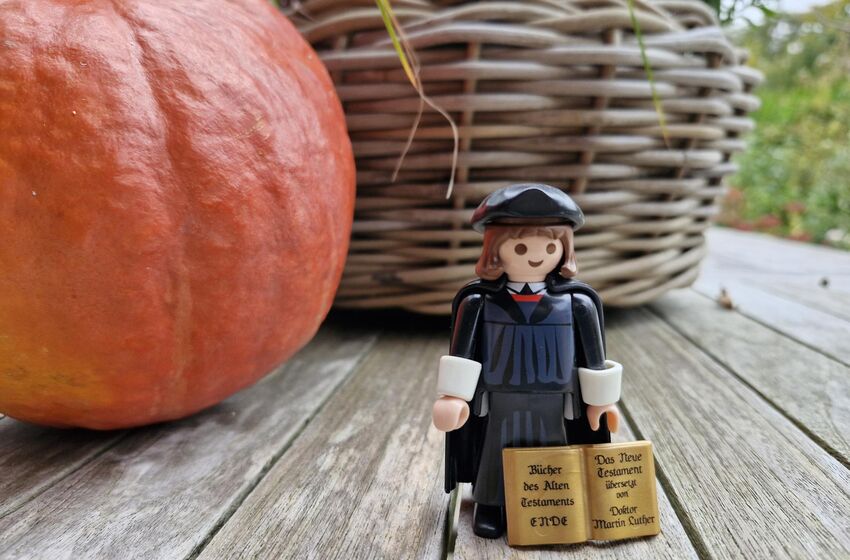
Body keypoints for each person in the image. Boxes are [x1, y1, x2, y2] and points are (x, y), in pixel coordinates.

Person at [432, 183, 623, 539]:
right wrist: (454, 397)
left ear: (564, 250)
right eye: (520, 247)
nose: (536, 257)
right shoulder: (479, 303)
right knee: (496, 448)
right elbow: (463, 353)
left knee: (552, 449)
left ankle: (550, 506)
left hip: (555, 398)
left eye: (550, 247)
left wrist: (601, 401)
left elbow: (593, 358)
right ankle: (491, 504)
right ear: (495, 250)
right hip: (500, 396)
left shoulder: (577, 303)